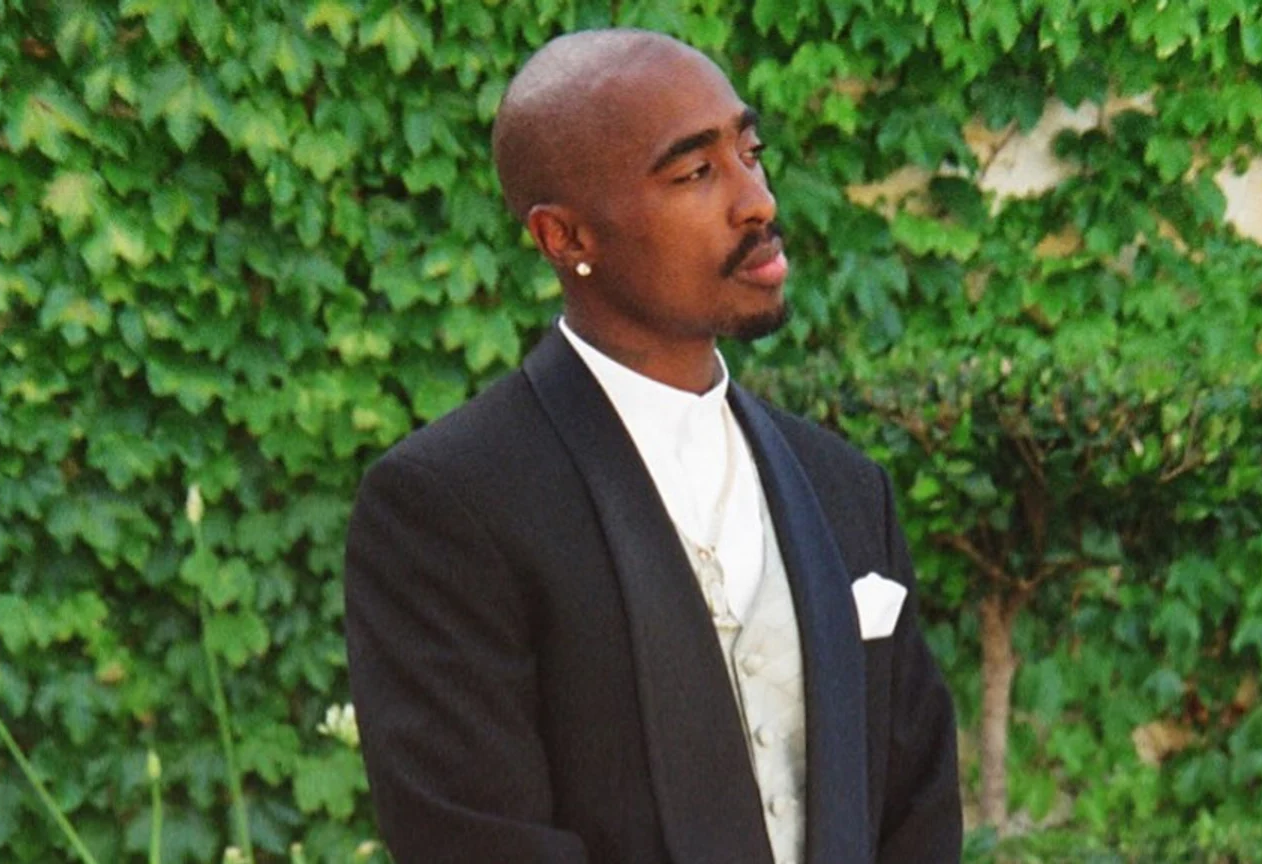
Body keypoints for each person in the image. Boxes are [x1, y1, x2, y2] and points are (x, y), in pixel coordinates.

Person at [344, 28, 962, 864]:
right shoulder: (448, 504)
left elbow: (918, 812)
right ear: (565, 238)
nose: (757, 202)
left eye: (750, 153)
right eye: (695, 172)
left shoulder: (846, 488)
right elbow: (476, 840)